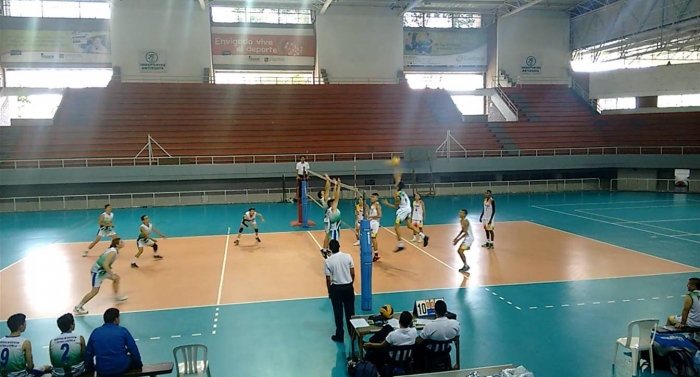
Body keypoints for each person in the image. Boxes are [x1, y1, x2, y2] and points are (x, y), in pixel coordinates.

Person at [74, 238, 127, 315]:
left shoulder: (113, 250)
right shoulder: (113, 252)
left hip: (103, 270)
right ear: (117, 244)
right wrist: (111, 274)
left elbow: (101, 257)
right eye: (121, 242)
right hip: (98, 272)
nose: (123, 242)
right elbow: (105, 264)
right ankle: (78, 307)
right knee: (94, 291)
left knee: (117, 278)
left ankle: (116, 297)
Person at [84, 308, 142, 377]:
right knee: (131, 360)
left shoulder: (95, 332)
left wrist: (90, 369)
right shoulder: (122, 331)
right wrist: (139, 364)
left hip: (102, 370)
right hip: (121, 368)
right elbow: (133, 349)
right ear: (116, 319)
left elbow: (88, 354)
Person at [414, 300, 460, 370]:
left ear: (435, 311)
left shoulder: (429, 326)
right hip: (445, 351)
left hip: (431, 352)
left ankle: (419, 368)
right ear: (446, 311)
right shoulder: (455, 324)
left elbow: (418, 341)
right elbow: (457, 342)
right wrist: (458, 364)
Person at [383, 181, 428, 252]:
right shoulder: (403, 192)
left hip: (403, 211)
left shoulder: (398, 196)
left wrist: (387, 204)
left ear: (397, 187)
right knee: (409, 225)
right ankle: (424, 236)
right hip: (408, 209)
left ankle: (400, 245)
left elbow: (395, 206)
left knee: (396, 227)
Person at [324, 239, 355, 343]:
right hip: (348, 287)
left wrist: (330, 291)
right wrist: (350, 283)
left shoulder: (328, 261)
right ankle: (353, 334)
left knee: (338, 313)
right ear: (339, 246)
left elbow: (328, 279)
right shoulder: (348, 256)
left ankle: (340, 335)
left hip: (336, 289)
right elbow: (352, 273)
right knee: (350, 312)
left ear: (330, 249)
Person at [322, 179, 342, 259]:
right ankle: (332, 257)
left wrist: (335, 185)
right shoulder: (332, 209)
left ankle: (325, 250)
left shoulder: (330, 208)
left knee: (328, 238)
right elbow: (336, 197)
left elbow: (334, 197)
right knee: (334, 243)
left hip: (330, 226)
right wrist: (339, 185)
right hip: (333, 230)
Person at [452, 209, 473, 273]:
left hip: (469, 238)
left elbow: (466, 233)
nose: (459, 213)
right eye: (459, 212)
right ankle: (465, 265)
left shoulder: (465, 222)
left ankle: (466, 266)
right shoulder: (461, 220)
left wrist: (457, 240)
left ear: (464, 214)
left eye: (461, 212)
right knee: (460, 251)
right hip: (467, 238)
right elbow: (462, 230)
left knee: (460, 251)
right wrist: (456, 237)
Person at [368, 193, 382, 262]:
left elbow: (379, 215)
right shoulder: (372, 205)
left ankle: (376, 254)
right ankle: (373, 252)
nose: (372, 198)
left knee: (373, 237)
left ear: (377, 198)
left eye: (373, 197)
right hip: (371, 222)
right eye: (371, 197)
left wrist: (370, 217)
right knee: (371, 237)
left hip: (375, 223)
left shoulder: (377, 205)